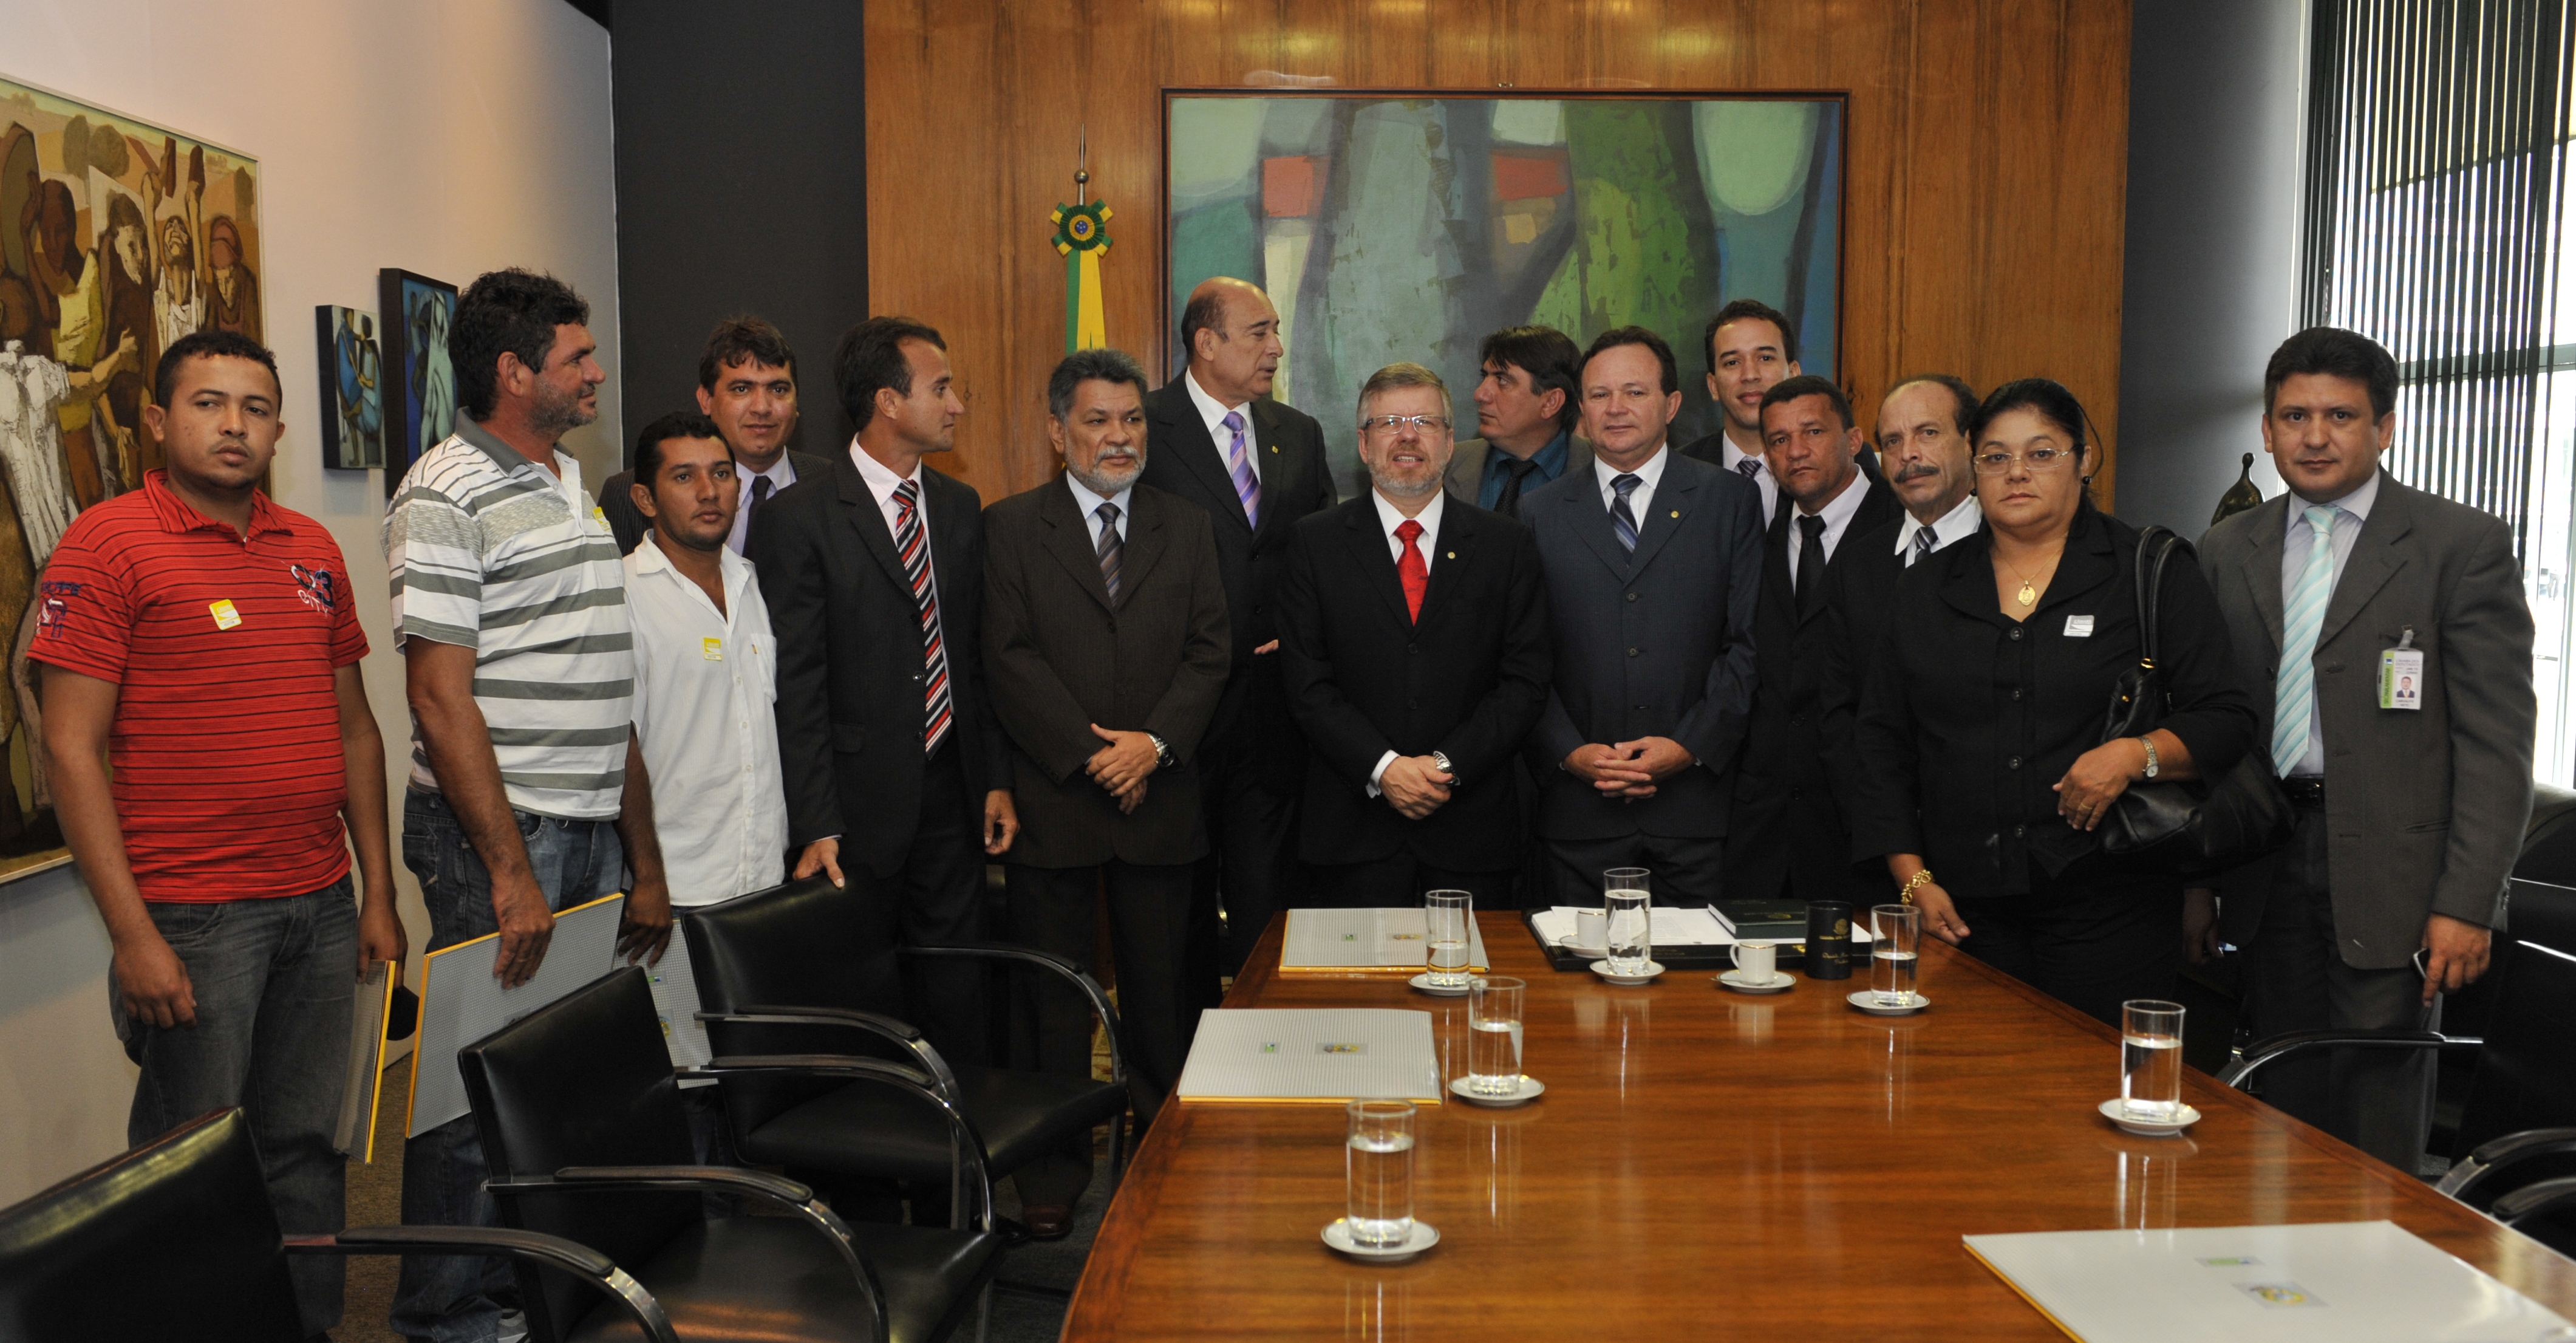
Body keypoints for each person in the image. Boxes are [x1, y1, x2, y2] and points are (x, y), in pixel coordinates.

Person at [34, 330, 402, 1339]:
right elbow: (71, 752)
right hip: (194, 919)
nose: (233, 424)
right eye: (207, 403)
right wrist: (133, 935)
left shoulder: (313, 551)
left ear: (279, 427)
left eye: (252, 406)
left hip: (321, 908)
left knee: (303, 1150)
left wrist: (376, 890)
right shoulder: (106, 545)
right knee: (186, 1165)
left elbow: (356, 727)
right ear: (158, 420)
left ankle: (306, 1326)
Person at [386, 268, 670, 1343]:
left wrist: (642, 859)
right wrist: (505, 872)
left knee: (560, 1078)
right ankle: (448, 1315)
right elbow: (436, 695)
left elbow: (607, 687)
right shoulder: (444, 492)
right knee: (470, 1091)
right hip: (501, 834)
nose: (597, 372)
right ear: (514, 373)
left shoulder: (567, 480)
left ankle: (531, 1287)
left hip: (587, 823)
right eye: (577, 358)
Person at [2196, 327, 2533, 1169]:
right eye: (2294, 415)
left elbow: (2496, 743)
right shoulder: (2223, 548)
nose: (2314, 435)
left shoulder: (2459, 544)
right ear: (2268, 429)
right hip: (2264, 865)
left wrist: (2467, 901)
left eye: (2340, 415)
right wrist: (2196, 884)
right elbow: (2209, 725)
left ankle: (2384, 1286)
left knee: (2378, 1120)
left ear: (2384, 427)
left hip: (2400, 880)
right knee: (2278, 1108)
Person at [1850, 378, 2253, 1027]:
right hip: (1962, 909)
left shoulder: (2147, 570)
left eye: (2041, 454)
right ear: (1973, 468)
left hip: (2110, 903)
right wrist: (1912, 881)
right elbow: (1880, 743)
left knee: (2092, 1105)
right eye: (1995, 457)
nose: (2016, 474)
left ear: (2084, 458)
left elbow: (2226, 717)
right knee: (1971, 1105)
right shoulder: (1927, 587)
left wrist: (2134, 754)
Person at [983, 347, 1230, 1237]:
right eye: (1097, 420)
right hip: (1059, 799)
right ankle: (1048, 1179)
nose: (1118, 437)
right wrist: (1093, 755)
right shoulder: (1010, 526)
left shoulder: (1189, 524)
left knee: (1164, 998)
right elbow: (1005, 655)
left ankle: (1165, 1165)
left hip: (1159, 801)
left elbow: (1211, 651)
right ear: (1058, 432)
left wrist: (1153, 745)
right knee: (1052, 1004)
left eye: (1131, 420)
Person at [751, 316, 1015, 1071]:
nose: (958, 404)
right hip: (854, 813)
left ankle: (954, 1178)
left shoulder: (960, 509)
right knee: (859, 1012)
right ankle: (873, 1181)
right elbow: (793, 684)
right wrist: (816, 819)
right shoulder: (798, 518)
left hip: (951, 799)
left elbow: (971, 658)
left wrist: (993, 776)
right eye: (942, 388)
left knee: (956, 997)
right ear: (887, 403)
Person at [1279, 363, 1550, 907]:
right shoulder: (1314, 543)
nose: (1408, 435)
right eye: (1389, 422)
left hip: (1473, 834)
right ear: (1363, 443)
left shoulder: (1507, 545)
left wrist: (1445, 767)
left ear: (1451, 442)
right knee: (1361, 995)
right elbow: (1308, 684)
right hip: (1353, 835)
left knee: (1473, 993)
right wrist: (1385, 768)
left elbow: (1524, 681)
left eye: (1425, 422)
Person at [1519, 327, 1763, 904]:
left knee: (1694, 989)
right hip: (1578, 810)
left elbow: (1748, 644)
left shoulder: (1729, 500)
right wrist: (1568, 750)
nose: (1616, 409)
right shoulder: (1539, 512)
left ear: (1672, 404)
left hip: (1695, 808)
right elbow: (1522, 657)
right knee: (1575, 987)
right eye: (1600, 395)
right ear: (1581, 411)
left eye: (1634, 391)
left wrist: (1687, 746)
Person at [1139, 276, 1334, 980]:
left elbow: (1321, 556)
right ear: (1206, 342)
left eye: (1276, 332)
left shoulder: (1297, 434)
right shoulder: (1143, 427)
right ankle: (1187, 1068)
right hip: (1177, 713)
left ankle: (1268, 1060)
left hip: (1273, 713)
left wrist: (1300, 630)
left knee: (1266, 905)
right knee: (1177, 915)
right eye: (1260, 332)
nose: (1276, 348)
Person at [620, 408, 788, 1166]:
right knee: (684, 1082)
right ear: (645, 498)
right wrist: (648, 878)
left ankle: (751, 1247)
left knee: (751, 1076)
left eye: (721, 473)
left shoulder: (753, 583)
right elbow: (620, 745)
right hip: (676, 892)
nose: (710, 491)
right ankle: (699, 1254)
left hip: (758, 884)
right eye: (684, 477)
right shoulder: (625, 594)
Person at [1723, 375, 1901, 905]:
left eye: (1813, 432)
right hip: (1766, 839)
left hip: (1865, 833)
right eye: (1778, 440)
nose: (1795, 451)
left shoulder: (1906, 529)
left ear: (1853, 441)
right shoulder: (1759, 536)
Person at [601, 315, 828, 556]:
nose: (762, 408)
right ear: (706, 400)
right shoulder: (631, 495)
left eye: (778, 390)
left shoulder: (832, 488)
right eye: (742, 389)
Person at [1679, 298, 1886, 515]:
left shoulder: (1847, 459)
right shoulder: (1681, 470)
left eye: (1765, 358)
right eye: (1732, 362)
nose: (1750, 375)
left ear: (1794, 373)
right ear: (1713, 386)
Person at [1443, 325, 1592, 518]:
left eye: (1503, 380)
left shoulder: (1604, 469)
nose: (1480, 394)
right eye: (1485, 377)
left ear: (1550, 403)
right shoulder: (1446, 464)